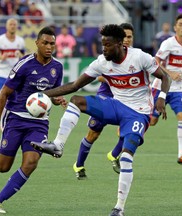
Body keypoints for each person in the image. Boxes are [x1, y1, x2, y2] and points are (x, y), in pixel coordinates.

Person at [31, 24, 171, 216]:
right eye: (102, 44)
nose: (103, 49)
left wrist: (161, 98)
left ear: (120, 44)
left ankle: (119, 208)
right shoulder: (102, 62)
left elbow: (165, 77)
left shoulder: (139, 57)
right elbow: (74, 85)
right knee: (76, 101)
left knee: (127, 156)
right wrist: (42, 94)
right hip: (116, 106)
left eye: (107, 45)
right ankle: (58, 145)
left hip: (138, 113)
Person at [0, 27, 67, 213]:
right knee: (3, 167)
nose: (48, 47)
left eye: (52, 43)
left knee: (31, 163)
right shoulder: (24, 64)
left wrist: (57, 99)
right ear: (37, 43)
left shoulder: (57, 68)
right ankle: (5, 147)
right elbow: (4, 93)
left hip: (39, 123)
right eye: (45, 43)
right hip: (15, 118)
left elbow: (53, 93)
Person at [72, 23, 135, 180]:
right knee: (93, 134)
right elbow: (99, 76)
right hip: (106, 97)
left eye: (130, 37)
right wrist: (117, 79)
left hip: (126, 100)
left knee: (130, 130)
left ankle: (114, 155)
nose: (127, 40)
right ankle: (79, 164)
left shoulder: (135, 57)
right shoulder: (108, 56)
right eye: (125, 36)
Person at [150, 14, 182, 164]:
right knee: (151, 121)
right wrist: (170, 73)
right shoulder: (168, 44)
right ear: (175, 27)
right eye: (181, 24)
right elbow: (155, 61)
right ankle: (125, 131)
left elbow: (179, 65)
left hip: (176, 89)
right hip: (160, 87)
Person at [0, 18, 25, 96]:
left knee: (15, 97)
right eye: (10, 24)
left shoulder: (20, 41)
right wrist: (0, 57)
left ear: (17, 27)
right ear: (6, 26)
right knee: (2, 97)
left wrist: (21, 56)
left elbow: (24, 56)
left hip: (15, 73)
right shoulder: (0, 40)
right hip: (2, 72)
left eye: (14, 25)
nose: (12, 26)